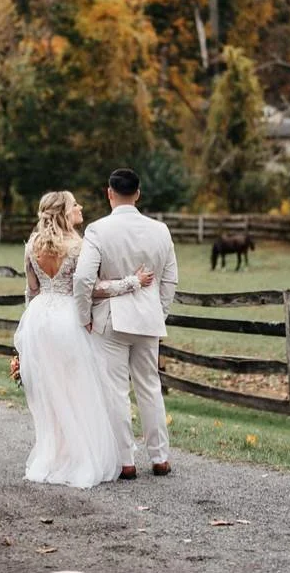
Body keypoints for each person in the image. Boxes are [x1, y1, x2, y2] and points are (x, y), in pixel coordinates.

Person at [14, 190, 154, 488]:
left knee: (52, 391)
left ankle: (54, 457)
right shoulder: (78, 246)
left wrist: (27, 331)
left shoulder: (32, 246)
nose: (80, 207)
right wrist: (132, 282)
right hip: (67, 320)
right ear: (64, 212)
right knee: (80, 389)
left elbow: (32, 291)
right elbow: (90, 288)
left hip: (39, 321)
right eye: (74, 204)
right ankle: (81, 459)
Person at [74, 168, 178, 479]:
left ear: (109, 193)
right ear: (138, 193)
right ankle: (160, 458)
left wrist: (84, 316)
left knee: (116, 391)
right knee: (150, 387)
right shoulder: (160, 230)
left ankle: (126, 461)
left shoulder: (97, 230)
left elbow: (82, 279)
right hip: (148, 320)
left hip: (110, 321)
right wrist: (158, 310)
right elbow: (170, 279)